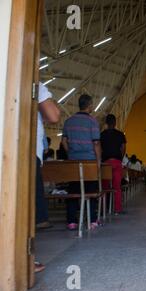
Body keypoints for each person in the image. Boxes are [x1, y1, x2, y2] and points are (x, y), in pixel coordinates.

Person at [62, 94, 102, 231]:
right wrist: (98, 161)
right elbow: (96, 143)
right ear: (89, 105)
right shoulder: (93, 122)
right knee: (90, 190)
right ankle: (92, 221)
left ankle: (72, 221)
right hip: (89, 160)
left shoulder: (68, 121)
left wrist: (71, 153)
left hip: (73, 160)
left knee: (73, 190)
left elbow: (64, 142)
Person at [35, 82, 61, 272]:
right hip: (26, 152)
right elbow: (53, 115)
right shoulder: (33, 82)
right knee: (25, 208)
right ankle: (24, 257)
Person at [100, 114, 127, 215]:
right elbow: (123, 148)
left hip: (105, 163)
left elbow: (99, 148)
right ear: (115, 123)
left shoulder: (102, 134)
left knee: (105, 186)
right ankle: (117, 209)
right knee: (117, 186)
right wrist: (120, 157)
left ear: (106, 123)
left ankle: (104, 209)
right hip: (116, 161)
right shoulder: (120, 134)